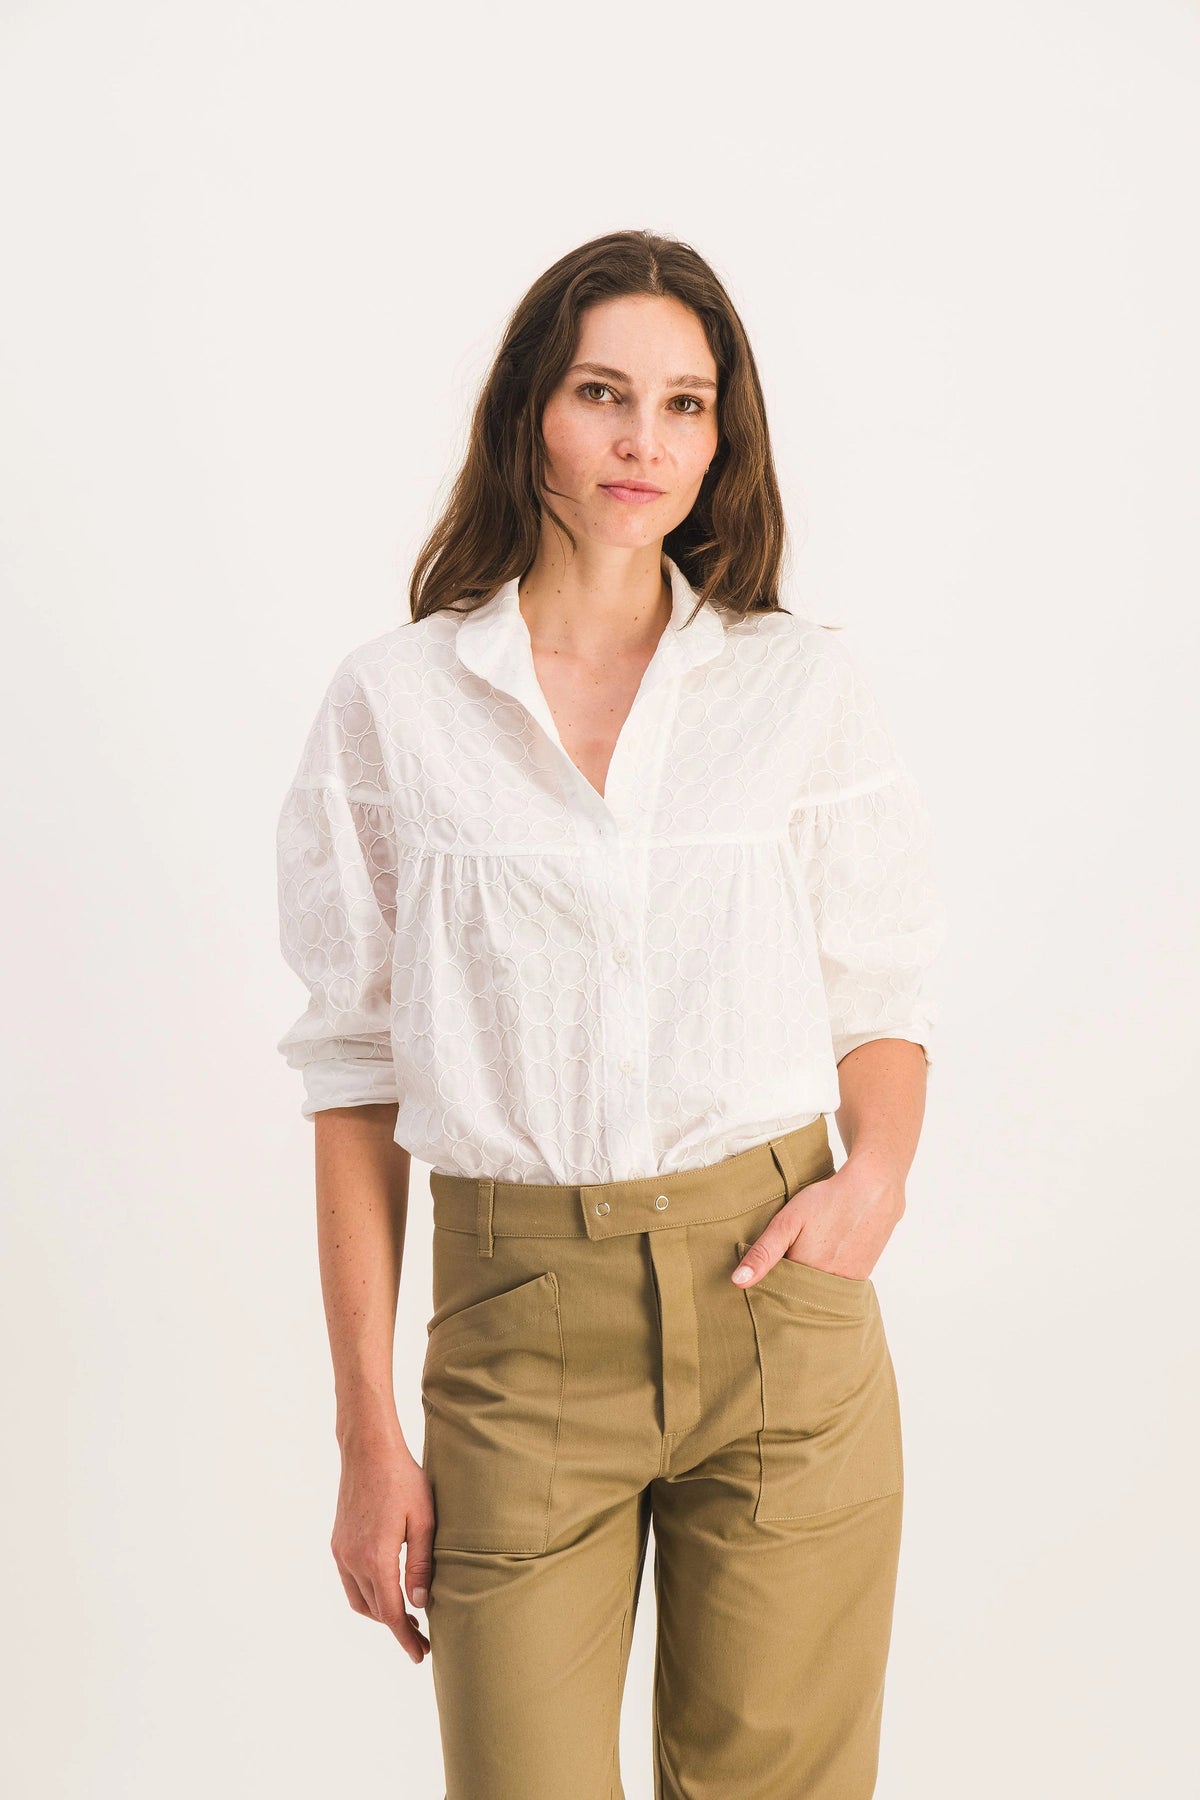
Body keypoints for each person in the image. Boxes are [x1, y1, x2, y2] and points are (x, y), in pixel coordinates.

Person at [274, 228, 946, 1800]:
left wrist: (877, 1179)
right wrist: (368, 1434)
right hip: (519, 1331)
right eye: (602, 393)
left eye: (685, 403)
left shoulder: (797, 685)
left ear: (722, 441)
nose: (645, 438)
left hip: (779, 1304)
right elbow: (352, 1074)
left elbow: (881, 992)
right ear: (532, 414)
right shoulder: (396, 705)